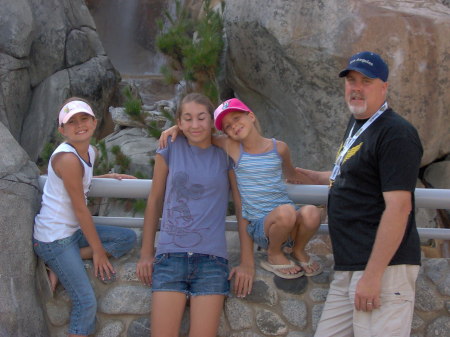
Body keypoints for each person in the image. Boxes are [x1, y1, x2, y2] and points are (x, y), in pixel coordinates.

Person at [296, 51, 423, 337]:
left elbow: (399, 208)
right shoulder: (358, 125)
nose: (356, 87)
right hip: (349, 267)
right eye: (351, 80)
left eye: (366, 81)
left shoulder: (396, 133)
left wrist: (373, 275)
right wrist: (296, 173)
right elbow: (345, 179)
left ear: (384, 87)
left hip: (382, 270)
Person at [161, 98, 323, 279]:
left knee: (312, 213)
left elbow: (292, 175)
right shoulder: (232, 147)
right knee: (286, 213)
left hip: (288, 220)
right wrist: (177, 129)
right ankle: (274, 253)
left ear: (251, 116)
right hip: (262, 227)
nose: (234, 126)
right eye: (228, 127)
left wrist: (323, 186)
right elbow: (199, 133)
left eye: (237, 118)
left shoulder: (280, 148)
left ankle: (298, 250)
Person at [135, 93, 254, 337]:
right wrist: (146, 253)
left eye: (201, 118)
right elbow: (155, 200)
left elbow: (242, 206)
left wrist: (247, 262)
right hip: (170, 257)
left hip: (212, 261)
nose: (195, 125)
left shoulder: (227, 152)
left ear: (212, 121)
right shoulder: (169, 146)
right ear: (178, 121)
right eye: (187, 119)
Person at [33, 98, 137, 337]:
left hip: (71, 234)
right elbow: (81, 209)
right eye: (71, 122)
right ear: (62, 130)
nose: (79, 125)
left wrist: (106, 177)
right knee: (85, 301)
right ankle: (59, 261)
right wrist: (98, 251)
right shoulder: (67, 158)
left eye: (84, 119)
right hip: (54, 239)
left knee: (126, 239)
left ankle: (61, 264)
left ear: (94, 121)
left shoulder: (89, 151)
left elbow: (78, 182)